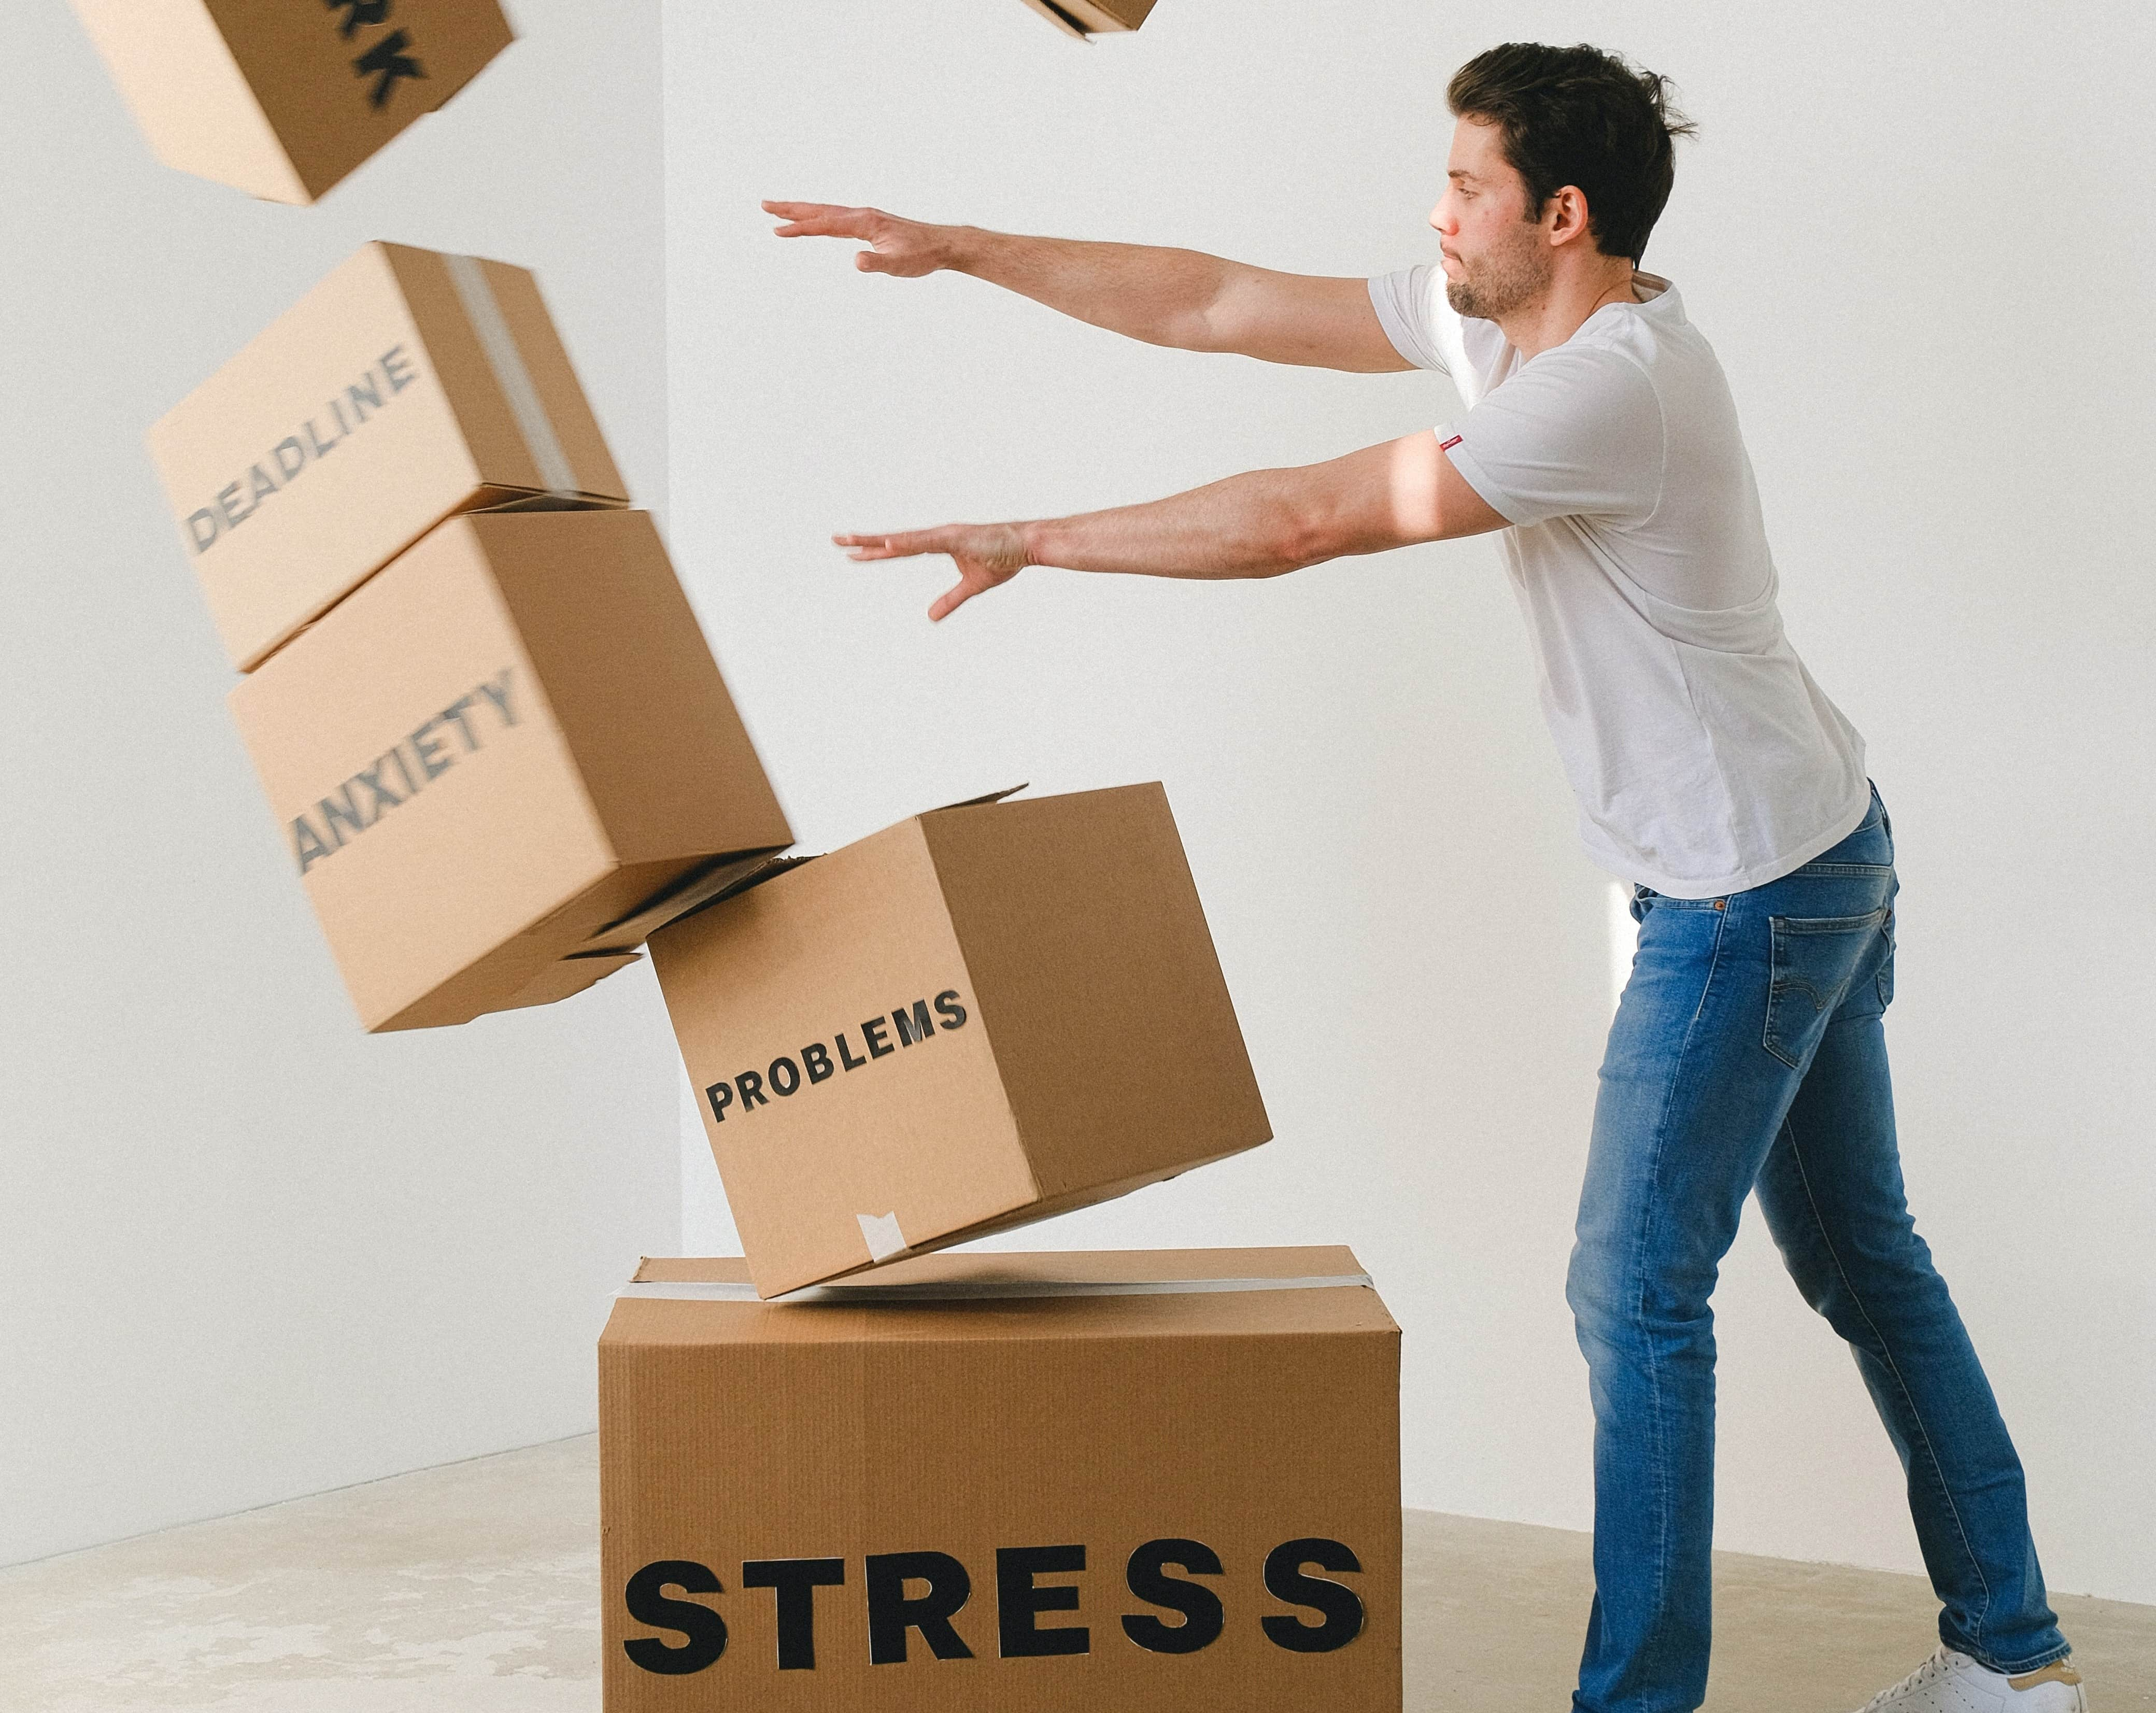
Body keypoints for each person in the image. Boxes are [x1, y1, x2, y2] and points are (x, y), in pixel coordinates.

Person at [768, 40, 2087, 1713]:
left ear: (1565, 213)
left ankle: (1658, 1702)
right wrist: (965, 247)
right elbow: (1223, 303)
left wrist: (1033, 539)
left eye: (1466, 186)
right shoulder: (1506, 317)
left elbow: (1304, 518)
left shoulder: (1608, 387)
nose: (1438, 213)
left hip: (1750, 894)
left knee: (1637, 1295)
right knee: (1860, 1263)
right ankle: (2014, 1655)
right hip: (1800, 846)